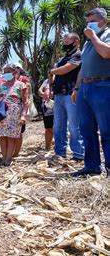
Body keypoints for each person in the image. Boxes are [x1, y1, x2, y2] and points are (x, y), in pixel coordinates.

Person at [71, 8, 110, 177]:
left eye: (92, 21)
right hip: (85, 88)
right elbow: (83, 67)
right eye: (87, 21)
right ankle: (92, 166)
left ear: (104, 21)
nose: (89, 25)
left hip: (103, 85)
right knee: (86, 129)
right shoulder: (88, 43)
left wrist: (93, 37)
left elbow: (106, 52)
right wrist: (77, 88)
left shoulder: (105, 35)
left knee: (107, 129)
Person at [49, 33, 84, 161]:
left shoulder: (78, 55)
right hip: (58, 95)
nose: (64, 44)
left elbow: (65, 69)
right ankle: (60, 152)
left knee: (74, 126)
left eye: (67, 41)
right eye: (63, 42)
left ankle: (79, 154)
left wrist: (52, 71)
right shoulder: (63, 58)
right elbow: (54, 74)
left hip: (71, 94)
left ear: (76, 42)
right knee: (58, 126)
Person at [0, 64, 29, 166]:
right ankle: (3, 159)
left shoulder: (21, 85)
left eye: (8, 72)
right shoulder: (1, 86)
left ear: (15, 72)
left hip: (14, 113)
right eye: (5, 72)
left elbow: (25, 102)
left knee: (11, 137)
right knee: (3, 137)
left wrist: (23, 115)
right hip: (2, 114)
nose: (6, 74)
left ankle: (8, 159)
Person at [13, 63, 32, 157]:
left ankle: (16, 152)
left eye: (16, 68)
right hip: (11, 107)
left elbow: (26, 95)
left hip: (20, 106)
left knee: (19, 130)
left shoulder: (24, 79)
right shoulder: (10, 79)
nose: (15, 70)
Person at [38, 79, 54, 151]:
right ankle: (47, 147)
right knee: (48, 128)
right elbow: (39, 91)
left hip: (58, 105)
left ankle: (59, 147)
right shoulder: (47, 81)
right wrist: (43, 94)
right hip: (47, 108)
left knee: (58, 128)